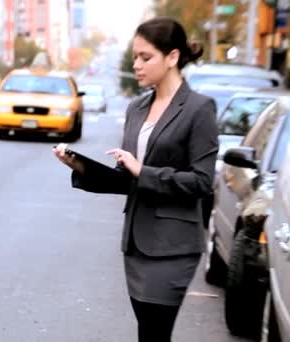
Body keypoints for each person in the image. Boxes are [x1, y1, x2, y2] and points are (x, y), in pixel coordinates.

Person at [53, 17, 218, 342]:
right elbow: (126, 179)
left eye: (146, 57)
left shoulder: (199, 109)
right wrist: (80, 166)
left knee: (155, 333)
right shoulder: (137, 108)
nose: (137, 65)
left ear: (172, 57)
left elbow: (201, 182)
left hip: (173, 246)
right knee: (148, 332)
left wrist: (144, 171)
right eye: (135, 57)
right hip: (137, 242)